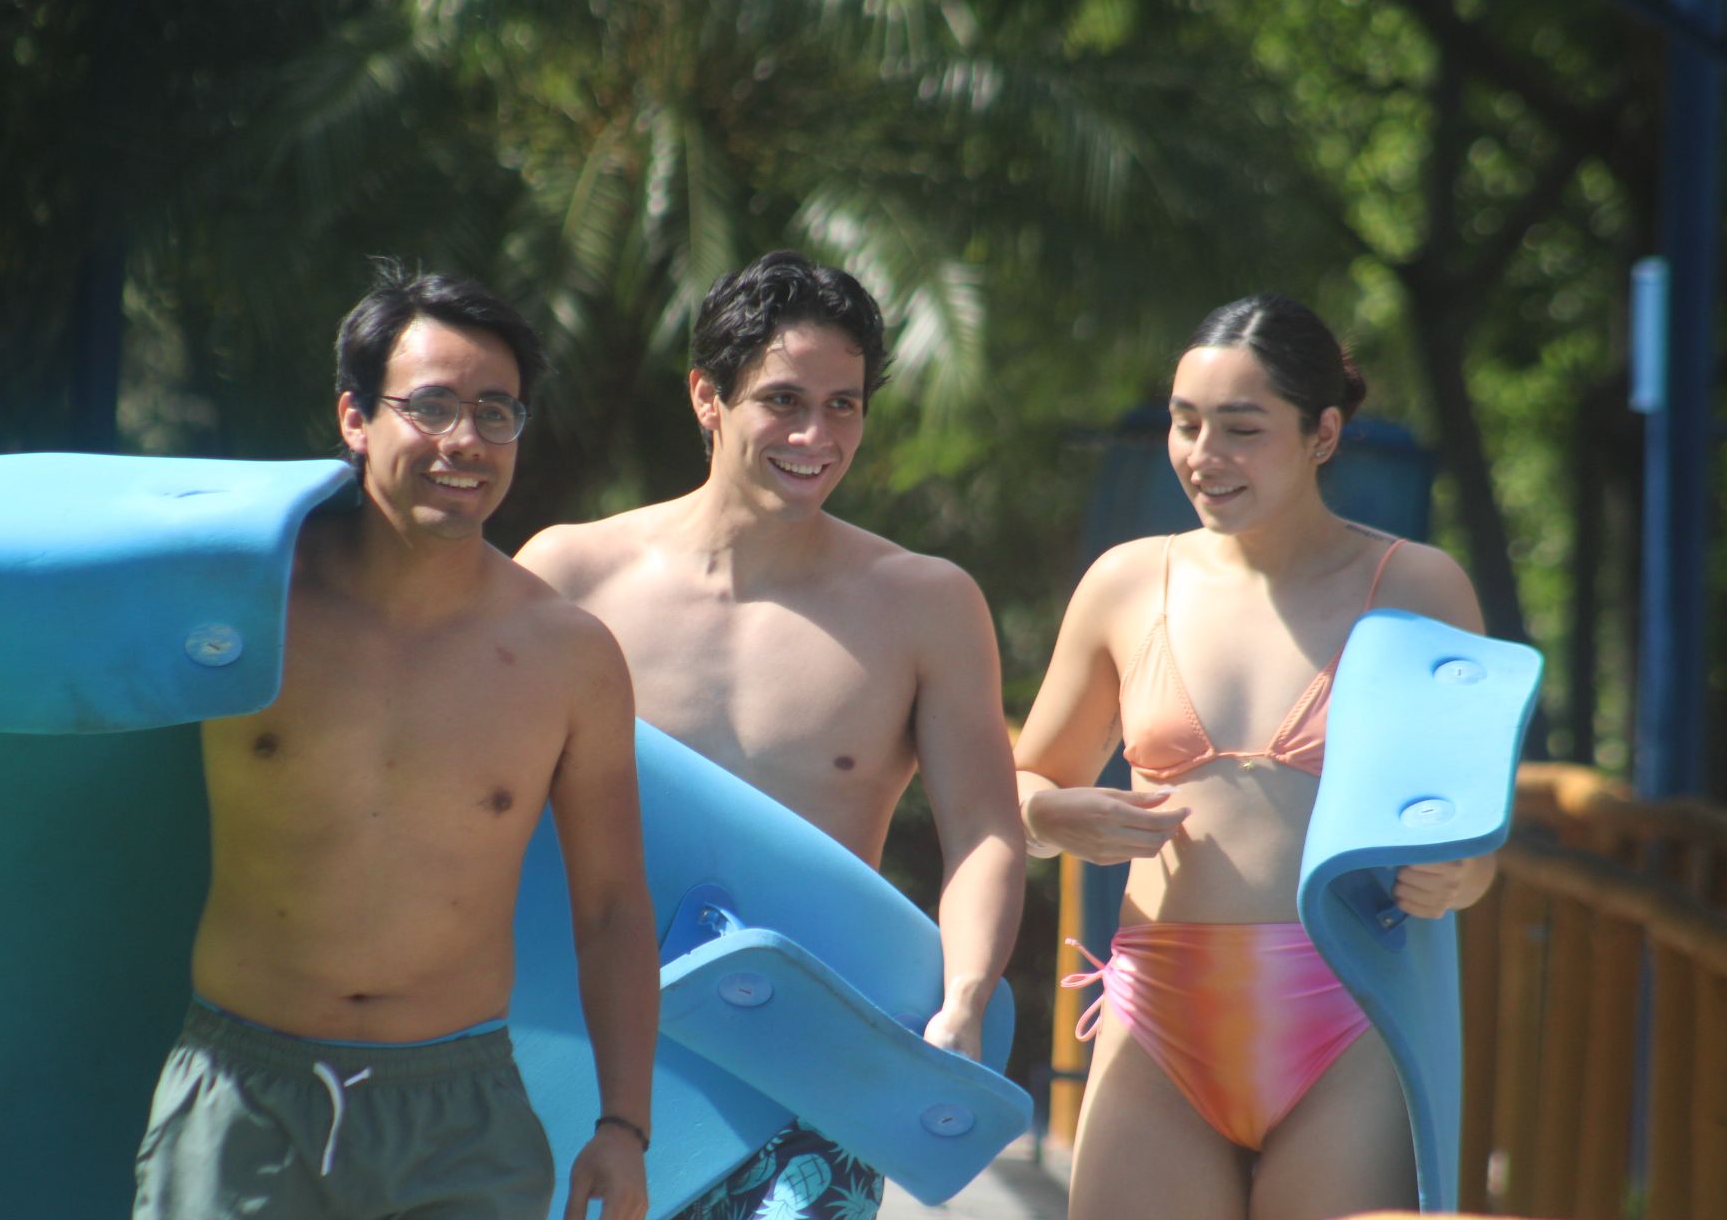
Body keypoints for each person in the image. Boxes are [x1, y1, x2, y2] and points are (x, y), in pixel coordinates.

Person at [133, 265, 659, 1220]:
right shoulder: (243, 608)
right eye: (433, 406)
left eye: (496, 413)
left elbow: (615, 909)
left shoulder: (568, 658)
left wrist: (623, 1126)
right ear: (355, 417)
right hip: (242, 1094)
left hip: (460, 1120)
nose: (466, 441)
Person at [516, 250, 1025, 1220]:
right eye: (783, 400)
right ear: (707, 396)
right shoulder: (573, 575)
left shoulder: (926, 605)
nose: (815, 435)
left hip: (806, 1075)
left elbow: (986, 831)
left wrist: (963, 998)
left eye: (844, 406)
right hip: (582, 1049)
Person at [1014, 294, 1495, 1220]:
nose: (1204, 454)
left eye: (1241, 428)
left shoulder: (1418, 587)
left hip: (1351, 1014)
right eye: (1185, 423)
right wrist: (1048, 813)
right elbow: (1024, 785)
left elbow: (1473, 835)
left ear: (1323, 433)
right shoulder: (1125, 582)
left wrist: (1460, 876)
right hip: (1157, 1015)